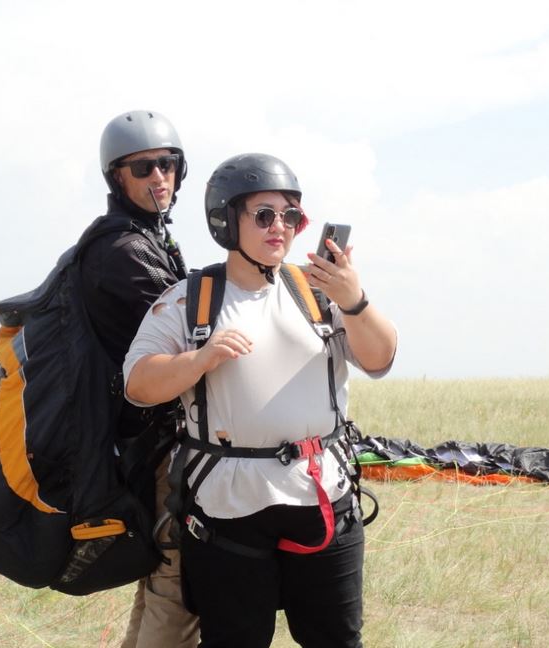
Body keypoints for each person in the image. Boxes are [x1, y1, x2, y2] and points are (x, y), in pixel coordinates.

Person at [122, 153, 397, 647]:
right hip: (228, 509)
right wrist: (198, 359)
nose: (280, 227)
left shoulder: (321, 293)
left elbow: (380, 359)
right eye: (265, 215)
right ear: (227, 220)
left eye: (291, 216)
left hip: (322, 496)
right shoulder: (190, 300)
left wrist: (354, 300)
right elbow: (138, 384)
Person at [85, 110, 199, 648]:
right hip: (155, 445)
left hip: (149, 440)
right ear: (118, 177)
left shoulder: (143, 237)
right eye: (143, 167)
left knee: (160, 581)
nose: (159, 177)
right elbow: (189, 336)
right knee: (179, 586)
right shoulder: (124, 251)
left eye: (168, 164)